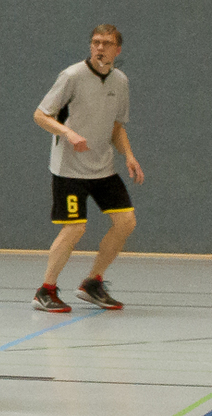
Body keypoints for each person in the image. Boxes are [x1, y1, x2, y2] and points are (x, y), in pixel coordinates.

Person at [31, 25, 145, 313]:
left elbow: (116, 127)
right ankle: (46, 290)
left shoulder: (120, 81)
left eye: (106, 43)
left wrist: (129, 156)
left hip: (103, 167)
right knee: (75, 228)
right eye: (96, 42)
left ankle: (92, 283)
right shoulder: (72, 76)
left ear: (118, 50)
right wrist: (67, 133)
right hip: (69, 169)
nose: (100, 48)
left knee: (126, 222)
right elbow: (41, 115)